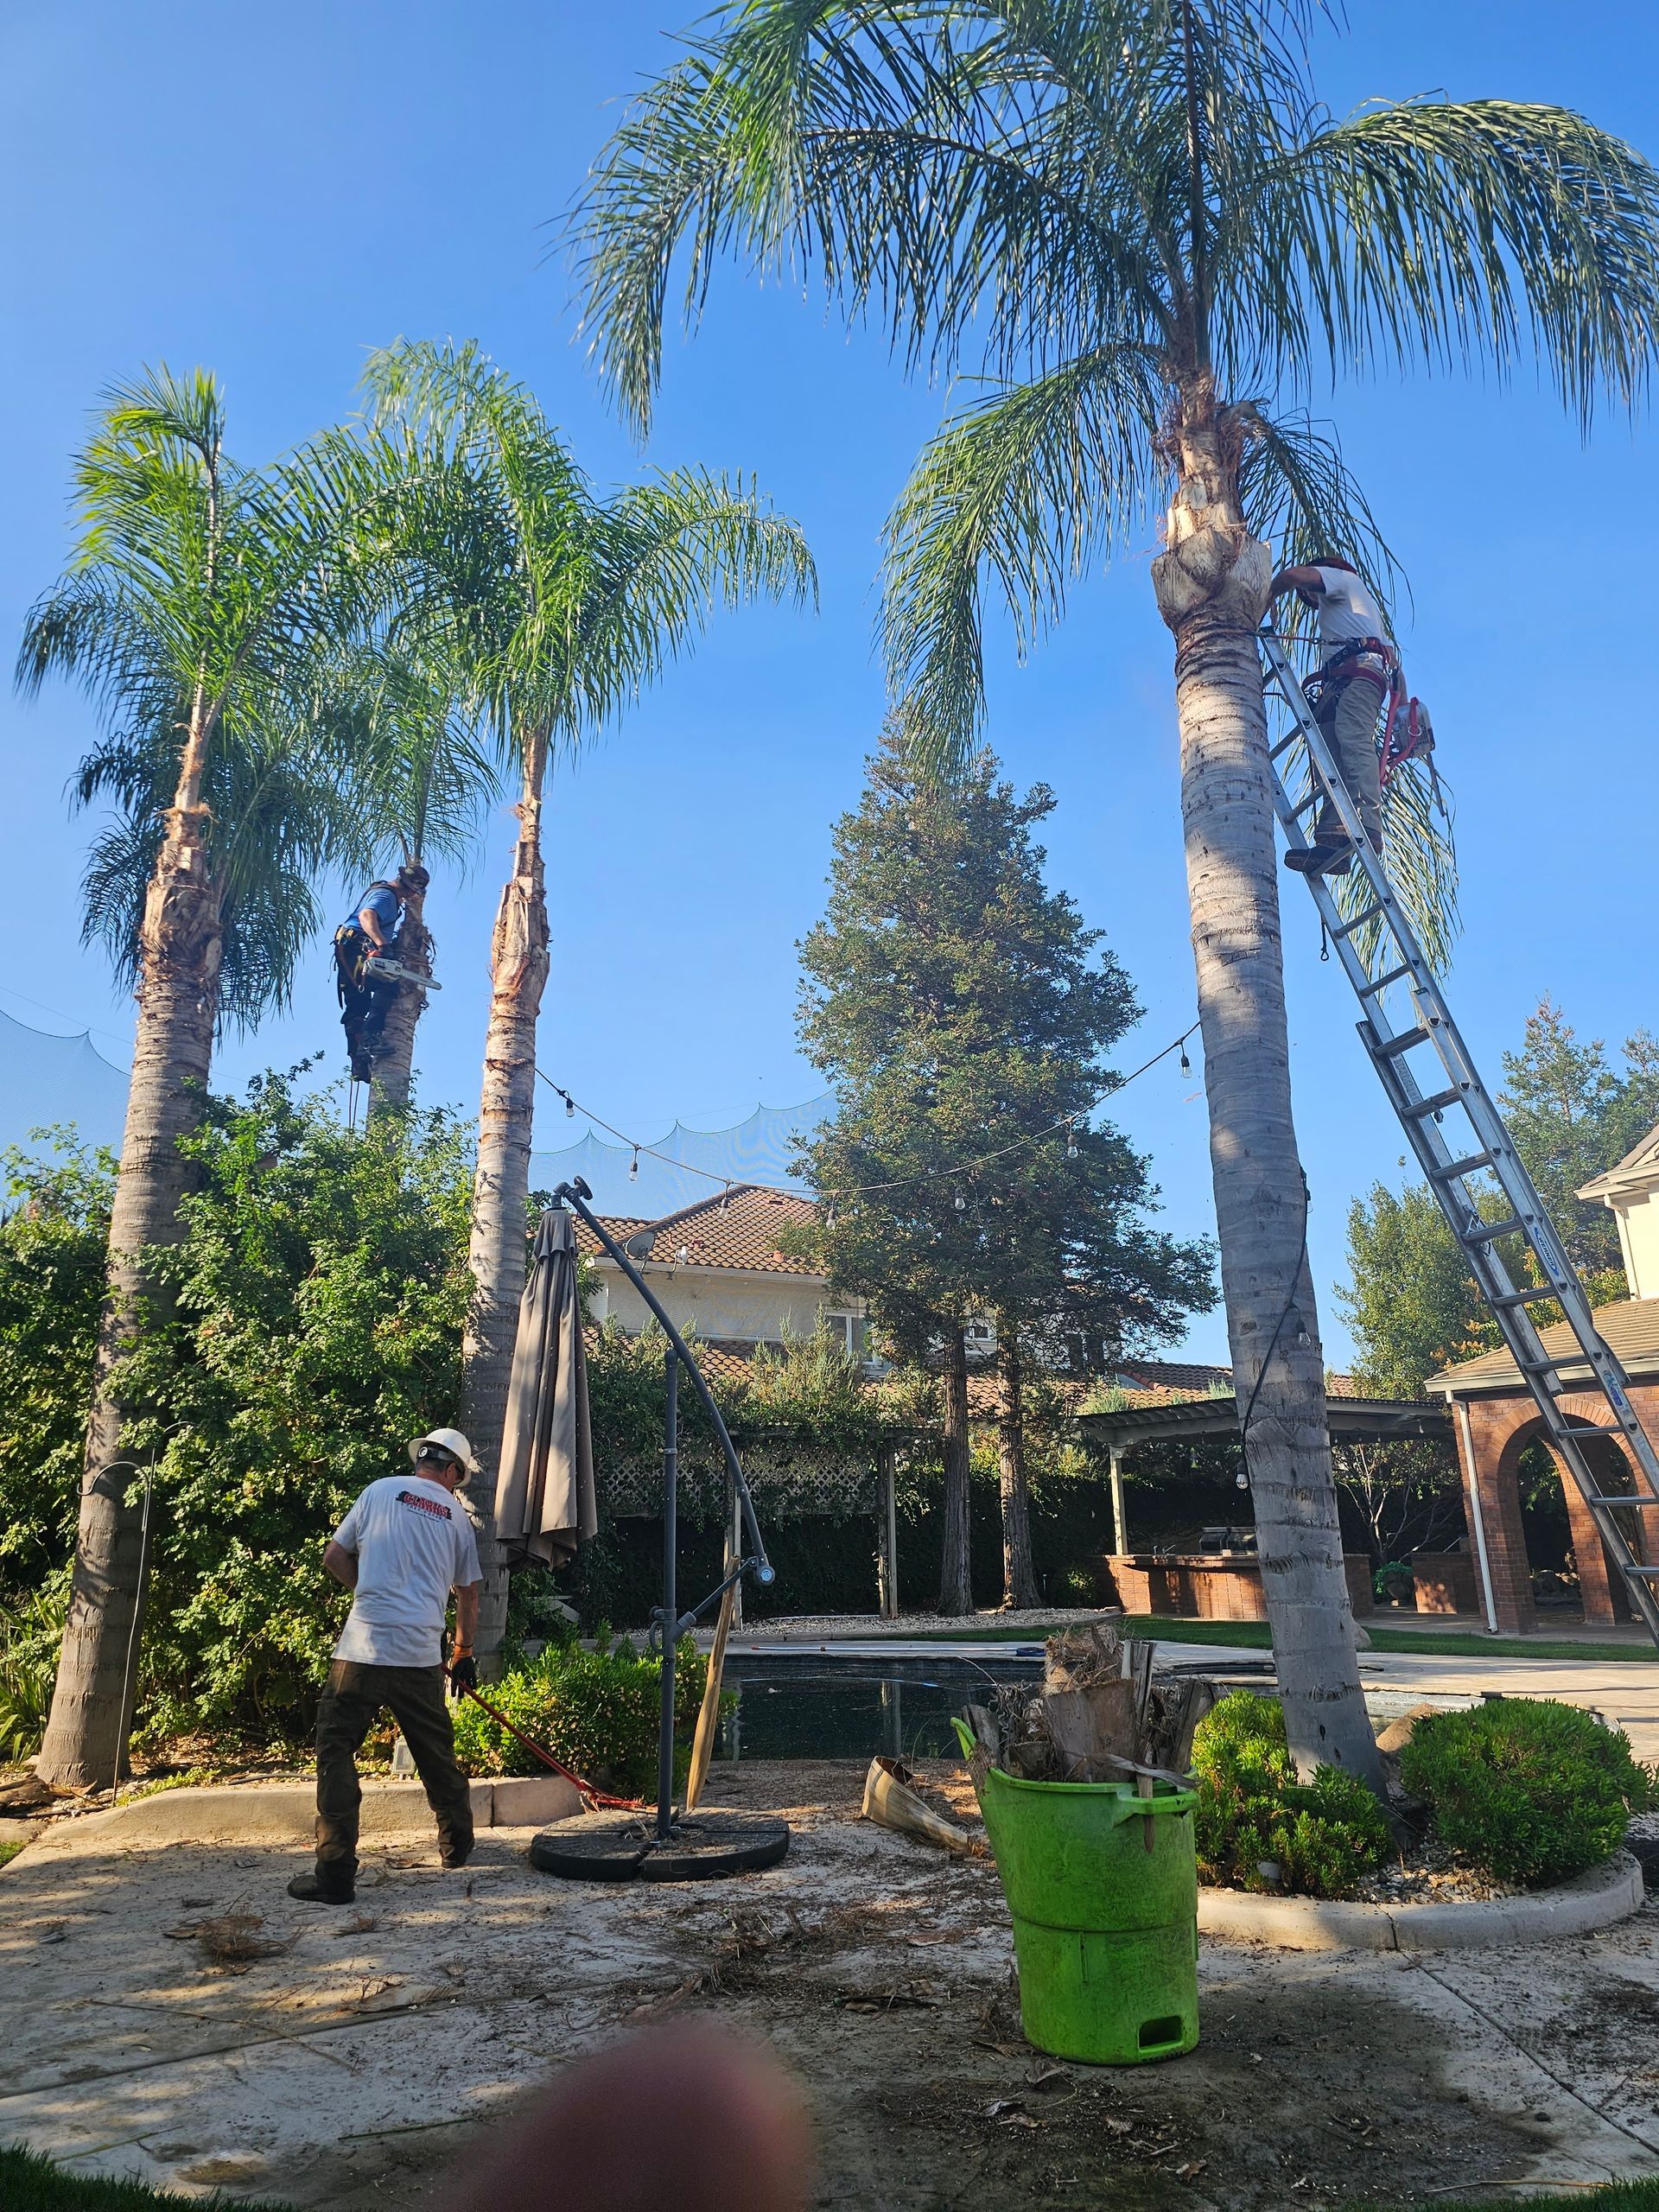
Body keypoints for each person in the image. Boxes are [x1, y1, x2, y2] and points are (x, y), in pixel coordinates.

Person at [289, 1427, 483, 1904]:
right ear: (452, 1470)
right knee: (435, 1754)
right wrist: (462, 1653)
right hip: (419, 1658)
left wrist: (369, 1592)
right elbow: (469, 1594)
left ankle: (335, 1875)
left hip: (362, 1651)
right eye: (459, 1479)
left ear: (422, 1460)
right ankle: (456, 1846)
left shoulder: (378, 1491)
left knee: (336, 1751)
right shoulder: (456, 1518)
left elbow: (334, 1556)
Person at [1267, 558, 1396, 876]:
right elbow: (1396, 671)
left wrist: (1266, 598)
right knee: (1329, 757)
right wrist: (1401, 712)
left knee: (1352, 738)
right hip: (1344, 681)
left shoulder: (1341, 579)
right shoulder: (1362, 612)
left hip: (1359, 676)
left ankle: (1367, 822)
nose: (1311, 599)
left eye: (1309, 594)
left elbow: (1292, 575)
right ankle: (1332, 842)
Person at [334, 863, 429, 1084]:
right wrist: (383, 946)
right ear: (407, 886)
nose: (411, 895)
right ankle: (370, 1038)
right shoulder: (386, 896)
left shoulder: (382, 891)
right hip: (358, 949)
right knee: (388, 984)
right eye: (412, 891)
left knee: (357, 1006)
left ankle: (359, 1062)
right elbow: (367, 916)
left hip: (348, 950)